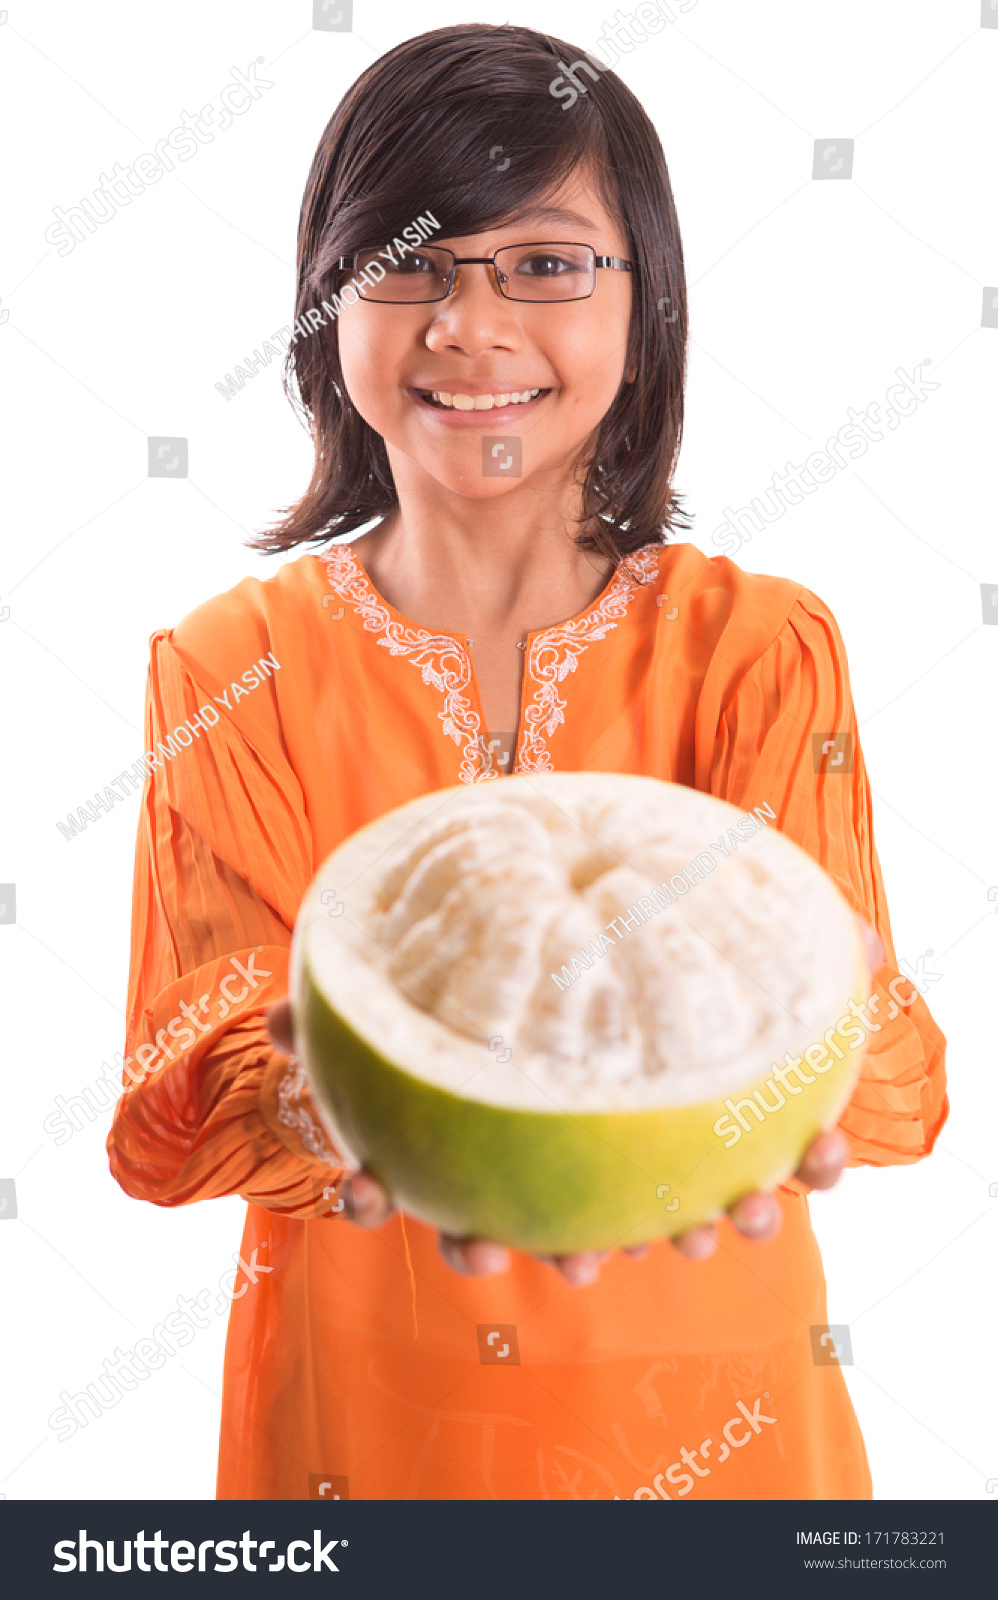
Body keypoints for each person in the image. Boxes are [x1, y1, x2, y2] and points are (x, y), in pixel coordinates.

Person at [108, 23, 947, 1500]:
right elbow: (189, 1078)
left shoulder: (757, 644)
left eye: (546, 265)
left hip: (716, 1407)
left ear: (648, 307)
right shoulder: (227, 664)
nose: (468, 327)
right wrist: (333, 1093)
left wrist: (783, 1085)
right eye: (410, 262)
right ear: (329, 307)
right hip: (360, 1423)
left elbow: (866, 1032)